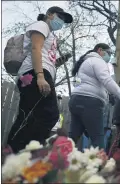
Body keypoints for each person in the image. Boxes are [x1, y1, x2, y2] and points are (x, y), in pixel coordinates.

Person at [7, 6, 73, 153]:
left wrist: (59, 61)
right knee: (49, 114)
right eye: (60, 17)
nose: (61, 22)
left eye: (64, 20)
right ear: (50, 14)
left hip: (36, 73)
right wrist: (41, 76)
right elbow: (35, 49)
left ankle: (18, 153)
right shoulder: (41, 25)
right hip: (35, 73)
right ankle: (24, 151)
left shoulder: (50, 35)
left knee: (30, 115)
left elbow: (46, 58)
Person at [69, 43, 120, 149]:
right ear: (100, 50)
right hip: (90, 103)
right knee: (98, 141)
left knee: (72, 139)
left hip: (76, 100)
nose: (109, 56)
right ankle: (98, 164)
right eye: (108, 53)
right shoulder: (97, 61)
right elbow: (107, 80)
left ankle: (57, 161)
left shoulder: (85, 62)